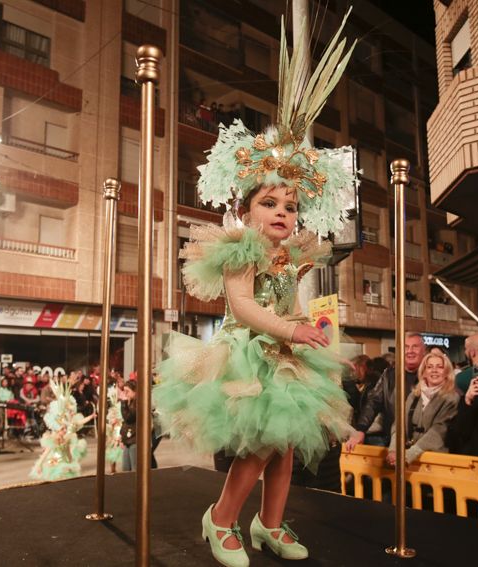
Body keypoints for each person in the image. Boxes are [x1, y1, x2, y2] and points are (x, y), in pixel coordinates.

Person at [152, 16, 357, 564]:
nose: (282, 212)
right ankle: (221, 519)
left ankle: (269, 524)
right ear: (246, 211)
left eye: (290, 206)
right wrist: (292, 329)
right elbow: (243, 307)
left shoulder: (293, 255)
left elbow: (291, 303)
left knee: (286, 445)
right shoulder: (240, 250)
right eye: (269, 203)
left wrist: (307, 330)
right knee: (262, 444)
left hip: (287, 354)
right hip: (247, 352)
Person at [345, 333, 426, 449]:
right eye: (406, 347)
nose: (410, 351)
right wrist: (361, 429)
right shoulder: (389, 375)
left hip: (422, 444)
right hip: (393, 441)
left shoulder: (430, 375)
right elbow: (373, 402)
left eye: (415, 346)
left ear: (423, 351)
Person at [386, 353, 459, 467]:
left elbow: (439, 430)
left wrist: (409, 454)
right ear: (423, 372)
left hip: (435, 462)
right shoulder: (414, 395)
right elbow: (399, 424)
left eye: (440, 367)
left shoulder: (452, 398)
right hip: (408, 459)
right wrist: (393, 450)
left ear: (447, 372)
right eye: (429, 367)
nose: (434, 370)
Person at [120, 380, 137, 471]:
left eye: (127, 391)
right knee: (125, 468)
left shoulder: (138, 403)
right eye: (124, 391)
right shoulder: (129, 402)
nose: (125, 394)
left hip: (135, 439)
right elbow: (125, 423)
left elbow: (128, 418)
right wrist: (122, 436)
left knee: (135, 468)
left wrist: (123, 403)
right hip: (128, 440)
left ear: (135, 391)